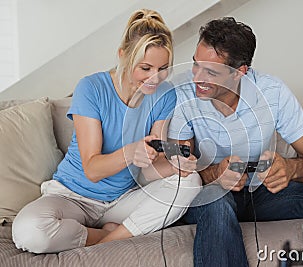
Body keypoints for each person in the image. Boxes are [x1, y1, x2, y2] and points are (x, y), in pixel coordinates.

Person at [168, 17, 303, 266]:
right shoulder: (181, 94)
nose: (197, 78)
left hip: (263, 195)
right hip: (211, 195)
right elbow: (176, 171)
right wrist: (214, 174)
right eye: (195, 64)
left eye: (211, 71)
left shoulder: (272, 92)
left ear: (240, 72)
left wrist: (291, 169)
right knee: (217, 204)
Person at [12, 9, 201, 254]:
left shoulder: (165, 95)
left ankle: (109, 242)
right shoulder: (91, 88)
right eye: (145, 68)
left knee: (190, 182)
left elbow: (150, 171)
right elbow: (92, 170)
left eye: (163, 68)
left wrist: (176, 165)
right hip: (72, 196)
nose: (155, 78)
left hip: (122, 200)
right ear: (123, 56)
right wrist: (131, 152)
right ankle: (107, 235)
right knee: (29, 232)